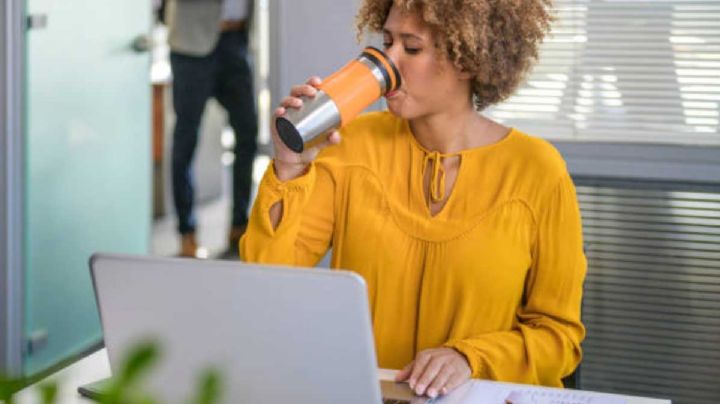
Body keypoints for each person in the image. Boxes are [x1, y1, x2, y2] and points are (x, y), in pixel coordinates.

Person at [242, 0, 586, 398]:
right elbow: (268, 281)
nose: (387, 61)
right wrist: (290, 166)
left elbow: (558, 337)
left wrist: (469, 358)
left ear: (468, 59)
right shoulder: (350, 144)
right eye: (387, 41)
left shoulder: (537, 171)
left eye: (412, 47)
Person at [165, 0, 257, 257]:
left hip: (237, 40)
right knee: (186, 139)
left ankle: (240, 225)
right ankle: (187, 232)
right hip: (191, 45)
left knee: (248, 133)